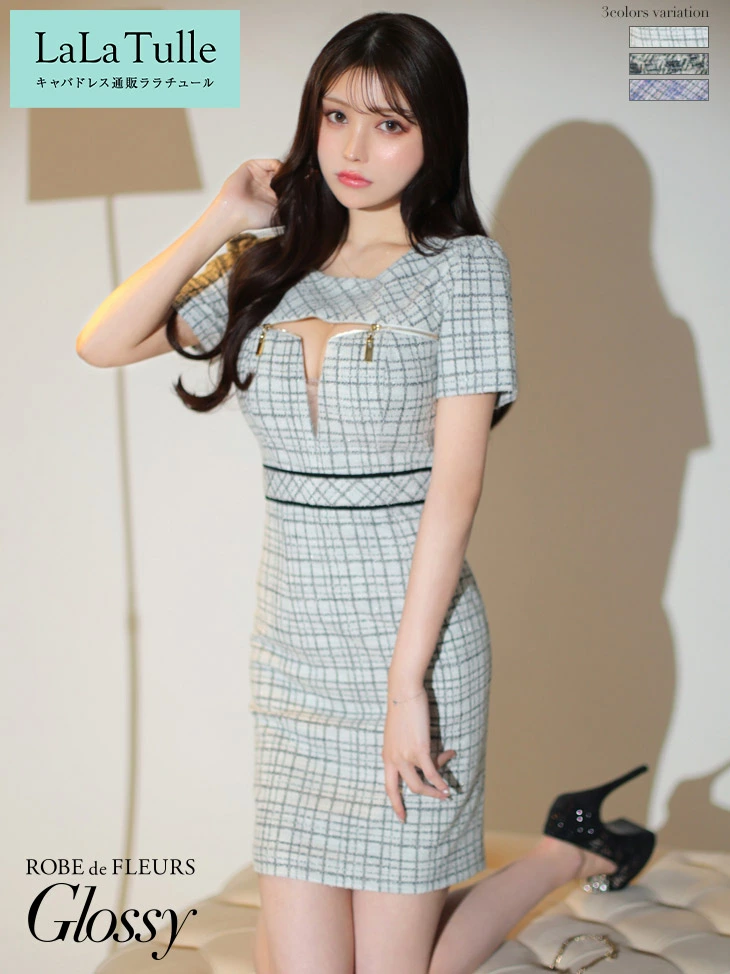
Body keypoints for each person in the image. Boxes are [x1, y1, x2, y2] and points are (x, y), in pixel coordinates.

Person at [77, 12, 656, 974]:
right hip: (293, 653)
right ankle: (569, 842)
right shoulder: (268, 267)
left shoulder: (462, 271)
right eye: (336, 116)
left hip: (414, 651)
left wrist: (405, 689)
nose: (353, 149)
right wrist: (221, 217)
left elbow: (456, 491)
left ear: (436, 136)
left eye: (389, 124)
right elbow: (102, 341)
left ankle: (567, 848)